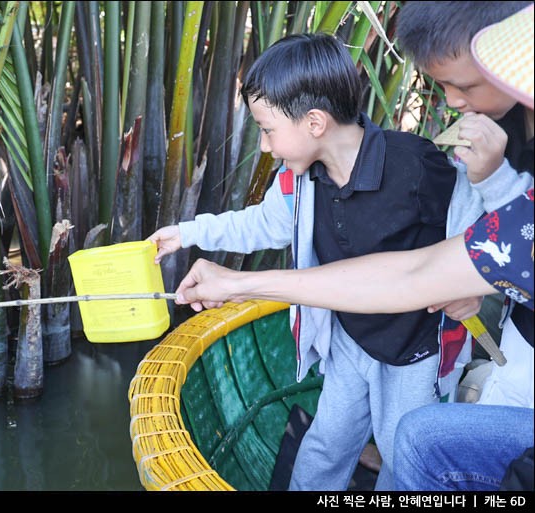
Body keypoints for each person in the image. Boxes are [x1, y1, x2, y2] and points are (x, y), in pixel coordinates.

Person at [174, 4, 535, 491]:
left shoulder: (416, 166)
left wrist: (475, 289)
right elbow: (262, 226)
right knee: (326, 439)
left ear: (315, 123)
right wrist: (190, 232)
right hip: (351, 338)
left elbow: (470, 222)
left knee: (402, 446)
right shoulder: (299, 181)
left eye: (267, 130)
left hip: (416, 348)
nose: (450, 102)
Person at [396, 1, 534, 408]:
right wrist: (471, 285)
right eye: (441, 86)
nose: (453, 101)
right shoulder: (495, 119)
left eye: (465, 86)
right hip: (514, 323)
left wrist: (496, 180)